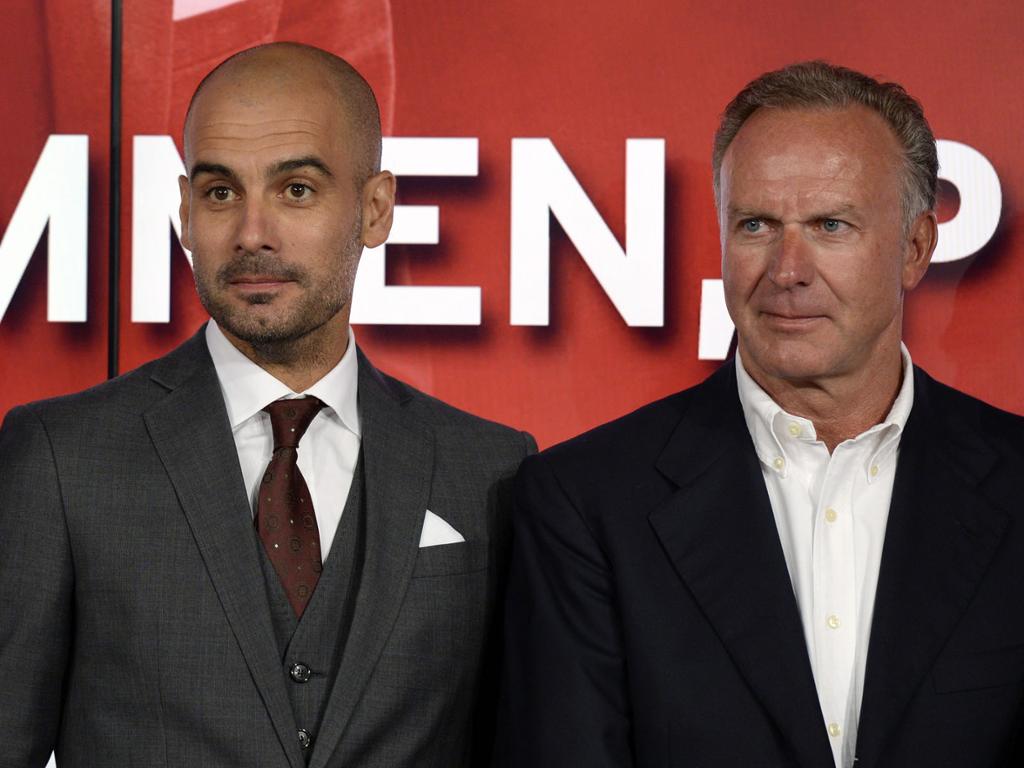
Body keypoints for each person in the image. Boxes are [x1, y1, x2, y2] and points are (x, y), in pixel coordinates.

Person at [0, 42, 533, 768]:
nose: (252, 234)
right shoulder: (60, 459)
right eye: (221, 193)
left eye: (297, 190)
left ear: (376, 210)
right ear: (185, 212)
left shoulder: (491, 469)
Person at [498, 61, 1024, 767]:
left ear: (916, 247)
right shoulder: (584, 502)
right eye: (755, 225)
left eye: (830, 225)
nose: (786, 269)